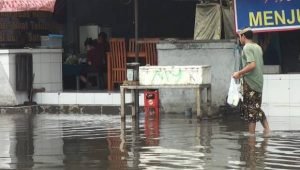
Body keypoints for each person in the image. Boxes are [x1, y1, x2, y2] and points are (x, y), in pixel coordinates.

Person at [233, 27, 270, 134]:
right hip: (258, 82)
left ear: (243, 36)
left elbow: (252, 65)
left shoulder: (247, 48)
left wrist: (239, 73)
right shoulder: (257, 47)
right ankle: (267, 130)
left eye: (239, 36)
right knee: (256, 107)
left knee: (251, 111)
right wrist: (242, 74)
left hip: (251, 83)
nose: (239, 39)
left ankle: (251, 137)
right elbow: (254, 66)